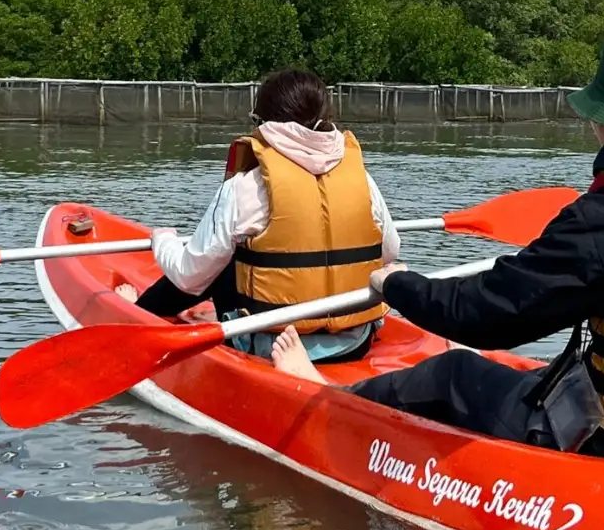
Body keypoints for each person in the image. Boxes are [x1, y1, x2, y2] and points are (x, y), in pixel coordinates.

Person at [267, 27, 604, 473]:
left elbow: (486, 317)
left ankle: (327, 400)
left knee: (452, 372)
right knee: (547, 374)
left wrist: (395, 283)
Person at [123, 68, 402, 363]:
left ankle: (139, 311)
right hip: (354, 342)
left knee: (224, 260)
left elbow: (189, 277)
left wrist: (163, 242)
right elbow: (389, 252)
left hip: (271, 345)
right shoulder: (363, 181)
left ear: (261, 122)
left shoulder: (247, 186)